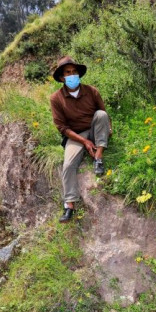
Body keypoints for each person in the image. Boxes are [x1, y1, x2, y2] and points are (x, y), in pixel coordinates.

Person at [49, 56, 112, 223]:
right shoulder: (56, 99)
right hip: (75, 135)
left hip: (93, 128)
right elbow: (62, 128)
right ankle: (69, 205)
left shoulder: (91, 91)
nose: (72, 75)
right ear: (62, 77)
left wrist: (107, 129)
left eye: (74, 71)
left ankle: (98, 158)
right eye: (68, 72)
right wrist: (84, 141)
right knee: (68, 165)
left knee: (101, 115)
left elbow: (103, 114)